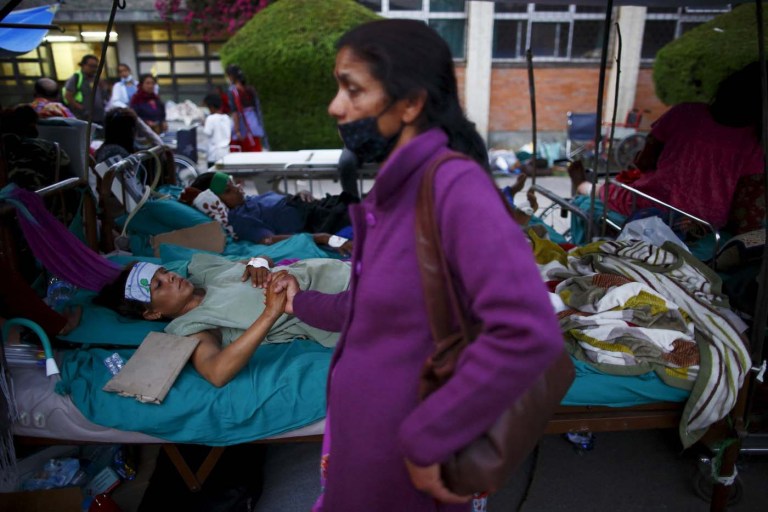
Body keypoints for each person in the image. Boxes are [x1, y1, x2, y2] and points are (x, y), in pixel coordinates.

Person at [269, 19, 564, 511]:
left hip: (402, 465)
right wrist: (297, 302)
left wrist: (430, 436)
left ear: (410, 103)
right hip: (361, 449)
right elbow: (370, 312)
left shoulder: (454, 188)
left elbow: (528, 331)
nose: (334, 106)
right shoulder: (395, 191)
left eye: (352, 89)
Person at [94, 254, 350, 387]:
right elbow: (217, 372)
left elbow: (259, 262)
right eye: (158, 285)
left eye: (164, 272)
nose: (171, 277)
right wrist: (270, 313)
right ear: (152, 314)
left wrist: (258, 262)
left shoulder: (203, 271)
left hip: (338, 271)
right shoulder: (192, 327)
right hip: (335, 306)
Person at [568, 60, 765, 231]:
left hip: (652, 203)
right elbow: (747, 212)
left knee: (604, 190)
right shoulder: (755, 143)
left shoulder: (686, 113)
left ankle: (581, 185)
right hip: (706, 223)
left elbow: (644, 161)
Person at [180, 171, 356, 254]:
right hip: (323, 221)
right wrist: (323, 237)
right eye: (228, 190)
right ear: (217, 201)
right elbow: (268, 240)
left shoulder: (248, 201)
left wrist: (300, 195)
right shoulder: (240, 219)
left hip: (324, 206)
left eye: (233, 183)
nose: (238, 188)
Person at [226, 64, 267, 152]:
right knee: (255, 155)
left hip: (242, 128)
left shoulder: (233, 91)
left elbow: (235, 111)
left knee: (238, 157)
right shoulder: (250, 89)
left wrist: (237, 131)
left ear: (231, 76)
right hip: (254, 125)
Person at [63, 54, 106, 124]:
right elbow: (68, 96)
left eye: (96, 67)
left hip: (99, 116)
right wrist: (81, 108)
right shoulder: (76, 78)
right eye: (91, 66)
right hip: (83, 118)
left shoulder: (97, 78)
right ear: (83, 65)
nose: (94, 69)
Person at [202, 93, 232, 167]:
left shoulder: (210, 118)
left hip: (213, 155)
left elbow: (207, 132)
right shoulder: (227, 118)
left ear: (211, 107)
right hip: (225, 154)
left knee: (214, 176)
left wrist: (204, 123)